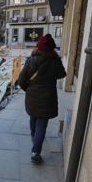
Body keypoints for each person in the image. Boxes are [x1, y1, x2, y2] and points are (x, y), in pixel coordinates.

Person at [18, 34, 66, 164]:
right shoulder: (55, 61)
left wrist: (28, 90)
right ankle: (35, 152)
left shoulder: (31, 60)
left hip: (32, 96)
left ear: (38, 47)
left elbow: (21, 80)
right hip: (48, 97)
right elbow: (63, 74)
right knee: (42, 125)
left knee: (33, 118)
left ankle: (35, 138)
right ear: (52, 48)